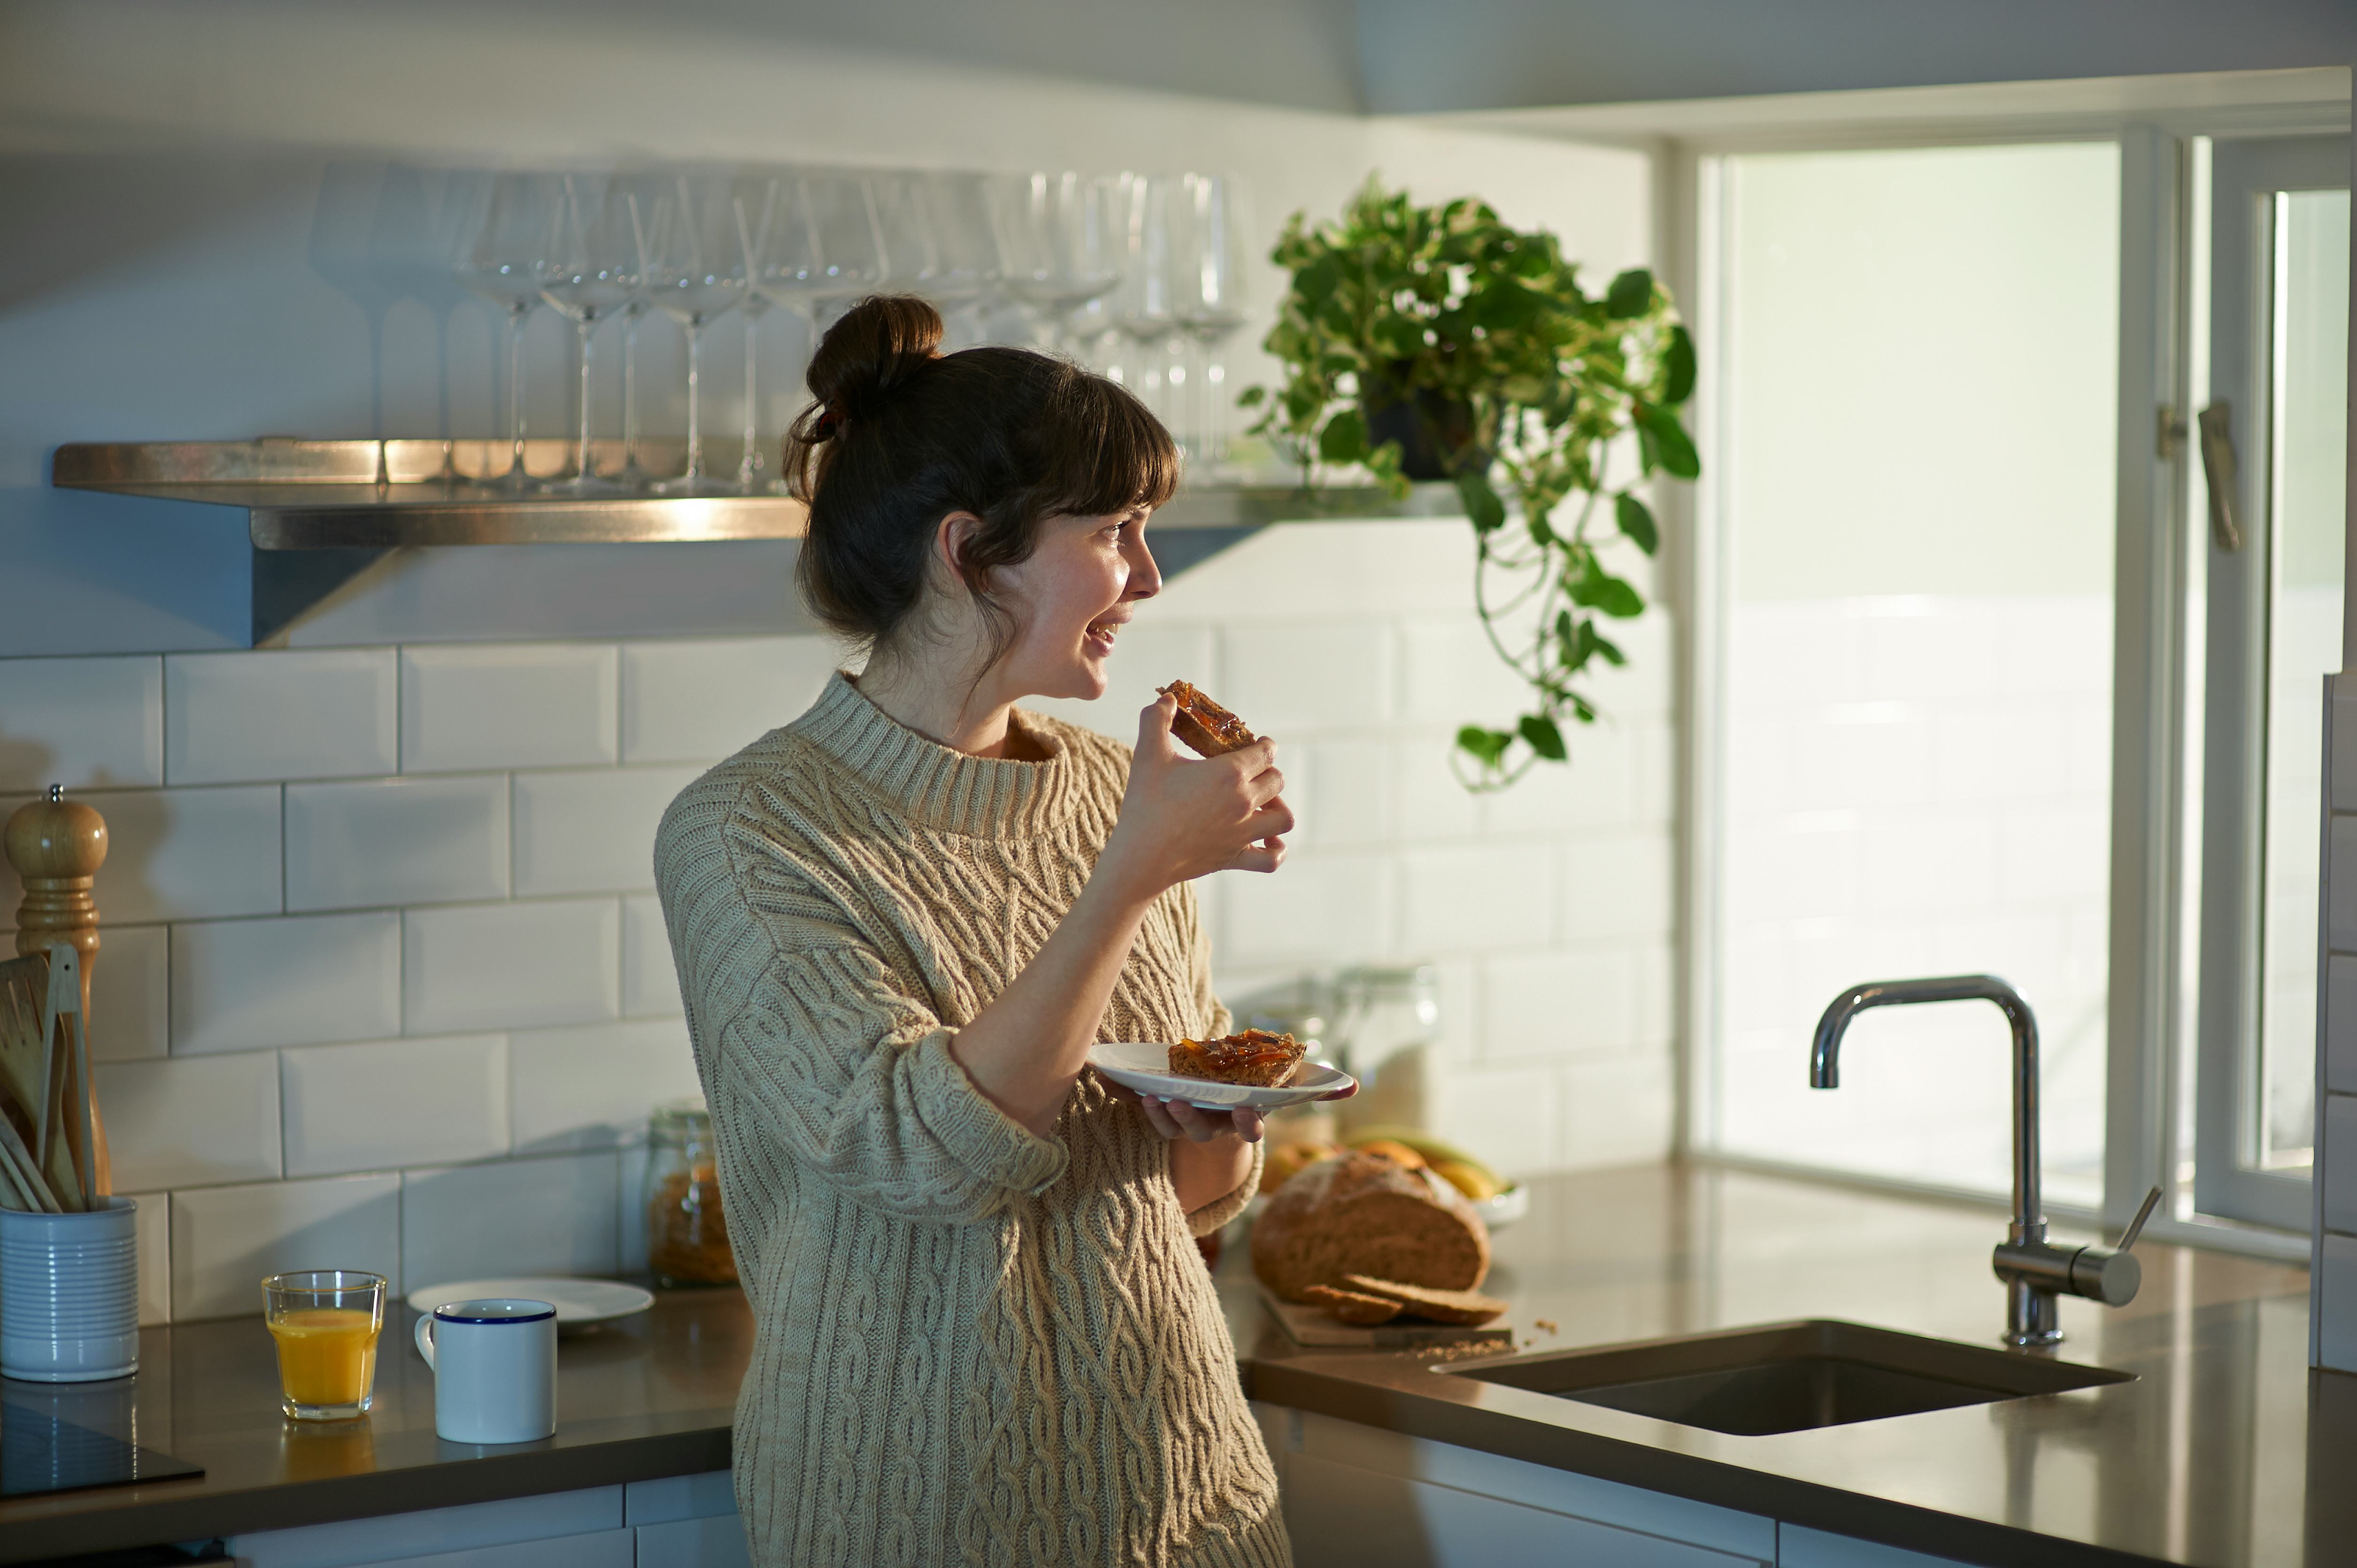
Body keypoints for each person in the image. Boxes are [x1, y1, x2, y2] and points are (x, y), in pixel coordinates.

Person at [655, 294, 1324, 1566]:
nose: (1147, 575)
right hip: (916, 1514)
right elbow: (927, 1156)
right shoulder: (747, 832)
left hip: (1190, 1493)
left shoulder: (1112, 792)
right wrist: (1134, 871)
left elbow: (1167, 1207)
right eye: (1114, 530)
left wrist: (1218, 1130)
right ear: (968, 552)